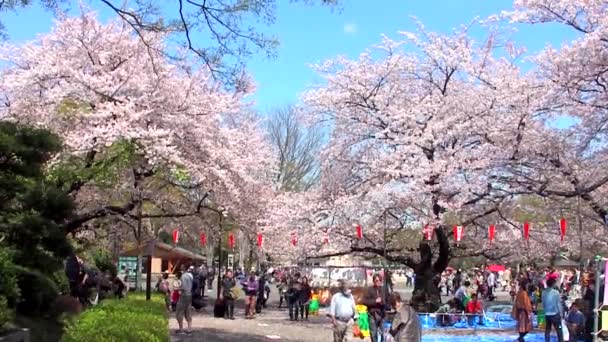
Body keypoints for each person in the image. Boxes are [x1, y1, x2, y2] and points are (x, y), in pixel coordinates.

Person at [362, 274, 385, 342]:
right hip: (372, 314)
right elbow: (364, 301)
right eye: (376, 281)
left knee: (383, 333)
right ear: (373, 281)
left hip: (382, 314)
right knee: (373, 333)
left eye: (379, 281)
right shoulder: (369, 290)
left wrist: (382, 302)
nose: (378, 282)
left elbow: (386, 300)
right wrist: (375, 301)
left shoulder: (383, 289)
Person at [542, 277, 564, 342]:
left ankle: (547, 340)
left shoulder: (544, 292)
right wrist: (561, 314)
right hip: (555, 314)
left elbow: (543, 303)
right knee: (559, 329)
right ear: (553, 284)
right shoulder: (556, 292)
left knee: (548, 329)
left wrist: (545, 310)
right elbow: (558, 304)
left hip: (547, 314)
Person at [175, 266, 193, 335]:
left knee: (179, 312)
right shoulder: (190, 276)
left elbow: (183, 287)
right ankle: (189, 328)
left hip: (183, 296)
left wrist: (176, 288)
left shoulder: (183, 277)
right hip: (189, 295)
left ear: (182, 270)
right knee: (188, 311)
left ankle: (181, 329)